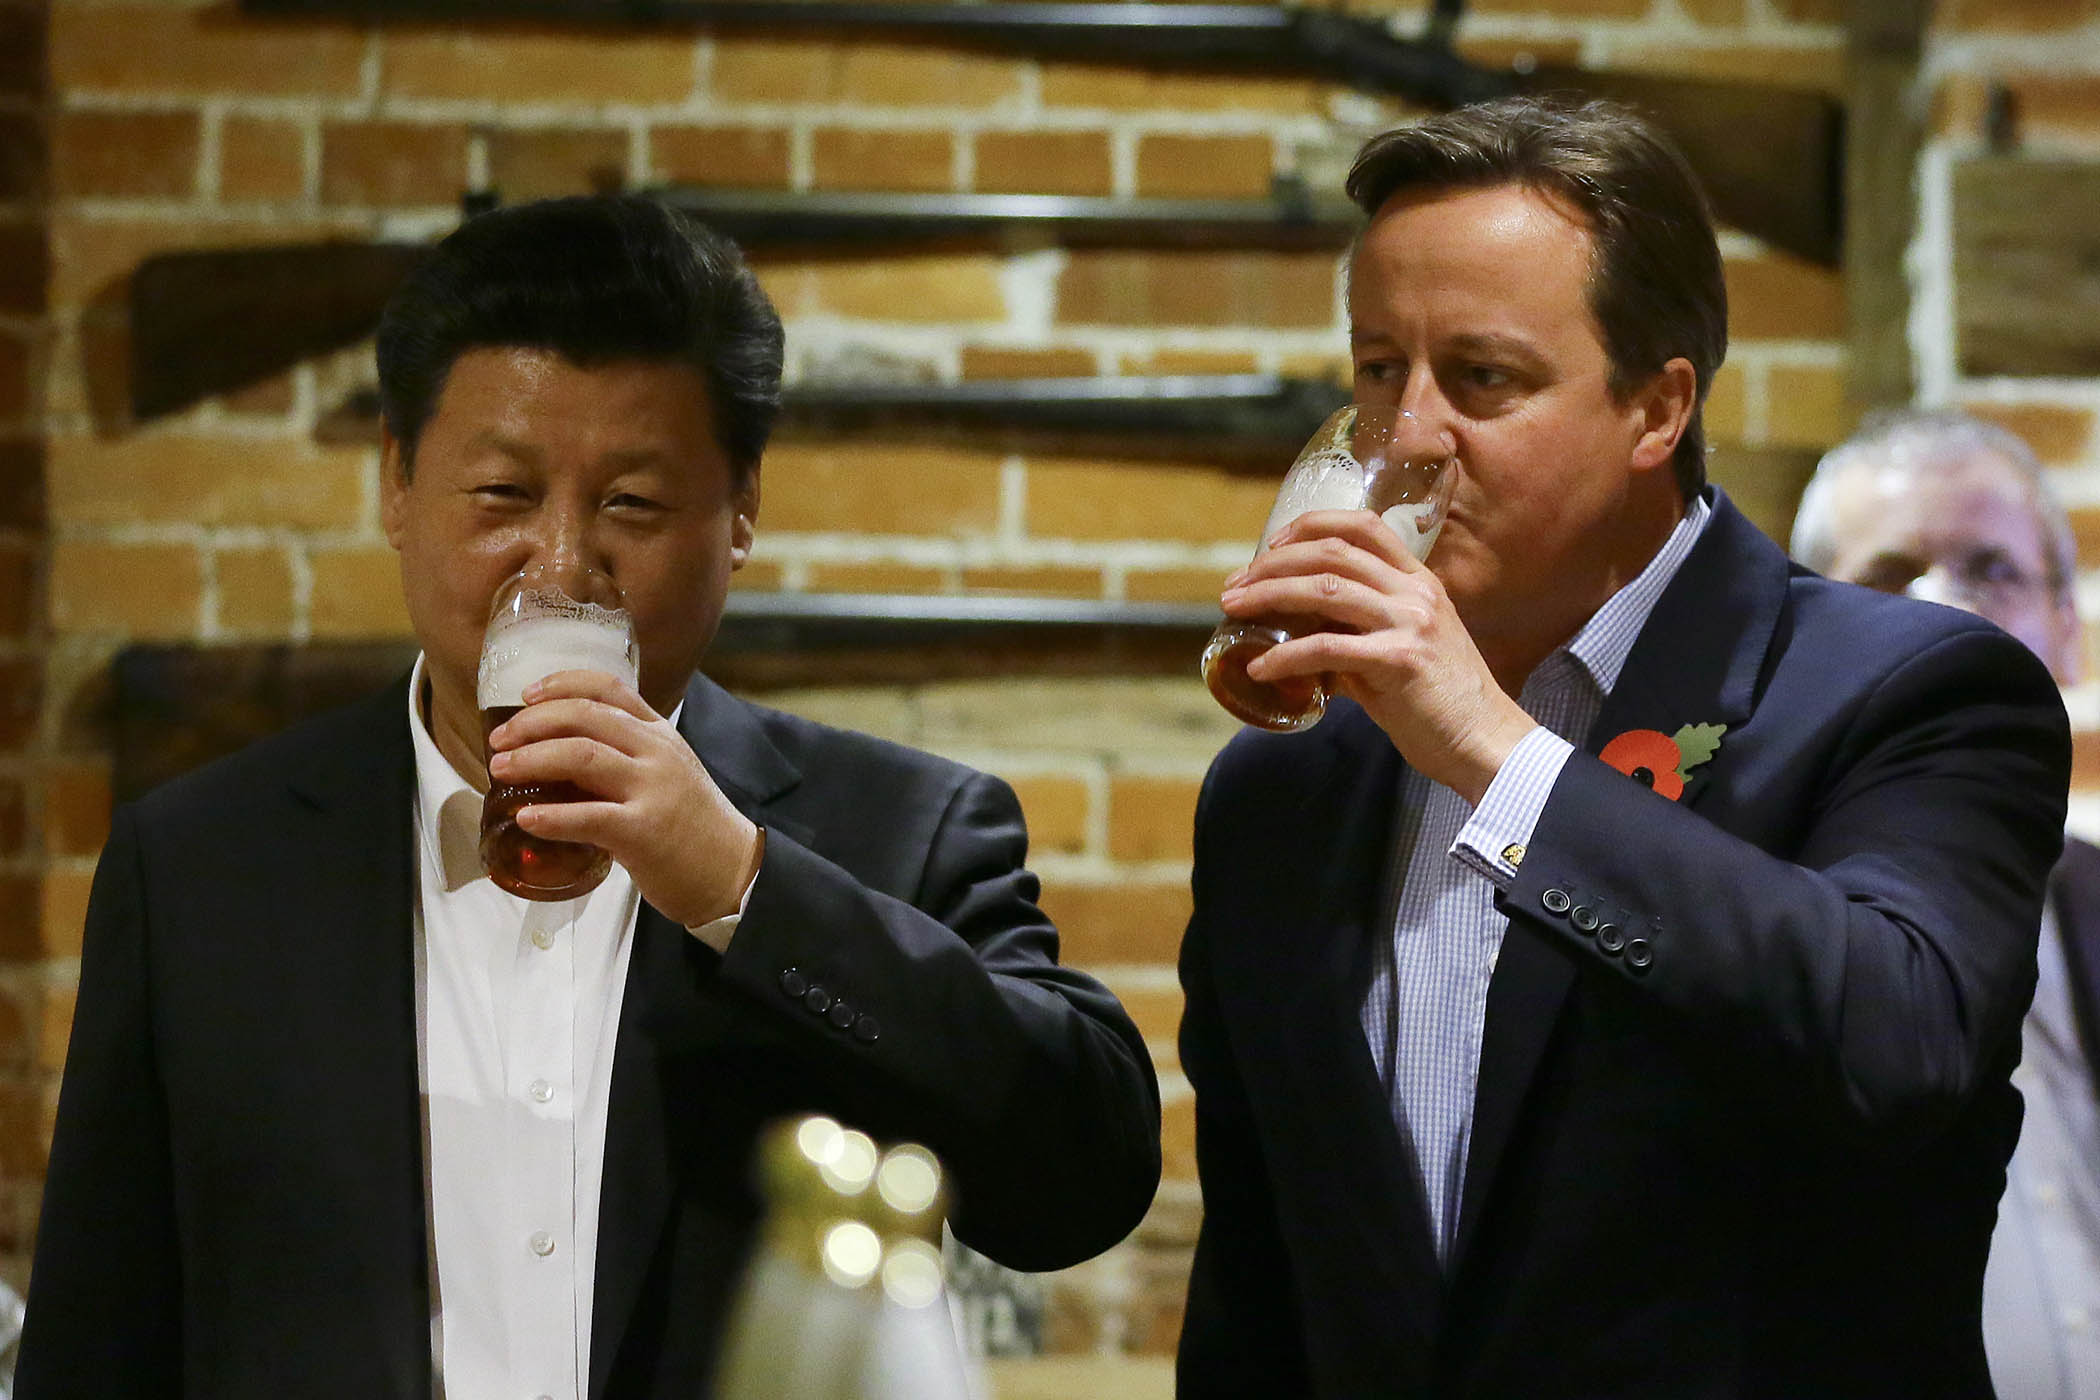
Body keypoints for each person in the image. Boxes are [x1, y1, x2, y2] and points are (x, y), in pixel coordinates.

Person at [17, 195, 1161, 1399]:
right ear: (398, 487)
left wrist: (739, 883)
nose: (562, 567)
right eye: (503, 498)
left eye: (632, 505)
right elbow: (102, 1335)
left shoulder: (899, 830)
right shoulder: (202, 864)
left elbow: (1079, 1181)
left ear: (741, 515)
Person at [1175, 96, 2070, 1397]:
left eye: (1481, 378)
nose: (1408, 434)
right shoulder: (1283, 788)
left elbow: (1900, 1043)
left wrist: (1493, 746)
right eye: (1378, 371)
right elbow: (1258, 1290)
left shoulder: (1911, 689)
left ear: (1657, 409)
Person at [1793, 411, 2100, 1400]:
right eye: (1888, 575)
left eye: (1992, 568)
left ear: (2068, 627)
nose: (1943, 611)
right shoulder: (1751, 922)